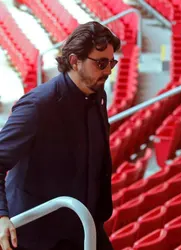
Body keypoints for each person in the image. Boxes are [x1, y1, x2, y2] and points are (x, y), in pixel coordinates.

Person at [0, 21, 120, 250]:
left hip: (84, 225)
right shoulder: (37, 106)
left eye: (111, 62)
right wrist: (1, 216)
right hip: (39, 237)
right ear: (75, 61)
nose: (108, 71)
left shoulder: (97, 94)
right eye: (101, 63)